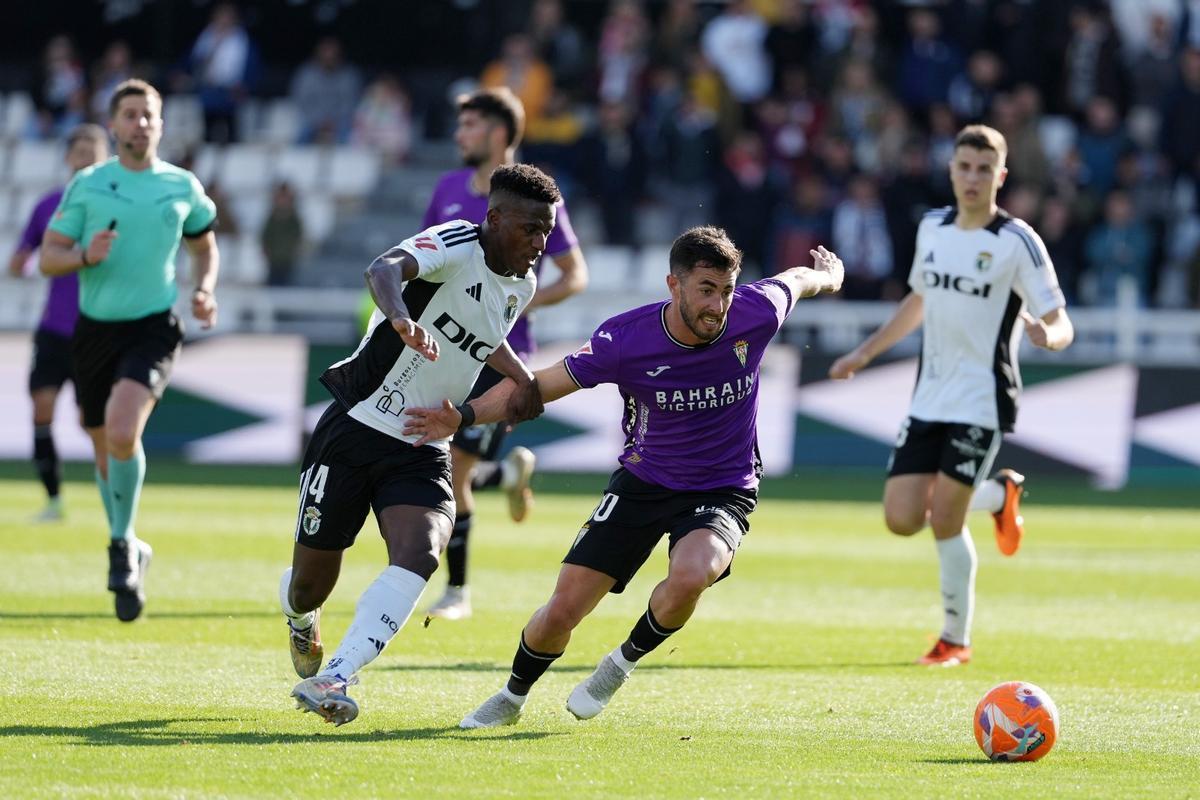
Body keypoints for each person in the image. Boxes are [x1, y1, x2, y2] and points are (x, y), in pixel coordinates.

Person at [403, 227, 845, 728]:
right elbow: (539, 388)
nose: (718, 306)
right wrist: (462, 416)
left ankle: (620, 663)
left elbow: (798, 280)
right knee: (563, 611)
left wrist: (830, 276)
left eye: (725, 291)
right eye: (705, 290)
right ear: (673, 285)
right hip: (643, 481)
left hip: (724, 485)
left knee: (694, 573)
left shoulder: (757, 311)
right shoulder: (626, 339)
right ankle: (511, 696)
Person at [281, 163, 562, 727]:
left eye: (547, 231)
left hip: (423, 438)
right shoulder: (457, 242)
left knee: (422, 548)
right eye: (530, 229)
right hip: (357, 424)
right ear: (495, 218)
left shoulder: (523, 284)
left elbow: (484, 337)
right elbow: (382, 268)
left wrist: (522, 376)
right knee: (311, 585)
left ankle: (335, 675)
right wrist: (402, 319)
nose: (539, 243)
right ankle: (299, 619)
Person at [828, 125, 1074, 666]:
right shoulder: (932, 228)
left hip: (983, 398)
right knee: (901, 518)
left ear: (1000, 176)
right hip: (928, 396)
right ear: (952, 171)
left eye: (985, 169)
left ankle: (954, 639)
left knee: (945, 519)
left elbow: (1061, 321)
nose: (972, 177)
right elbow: (918, 299)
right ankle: (999, 494)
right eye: (964, 167)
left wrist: (1047, 336)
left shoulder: (1018, 242)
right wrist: (864, 354)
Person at [40, 80, 220, 622]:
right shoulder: (89, 185)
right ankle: (132, 544)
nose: (140, 123)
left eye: (149, 115)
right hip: (96, 330)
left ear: (161, 126)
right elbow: (49, 257)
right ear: (113, 125)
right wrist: (84, 256)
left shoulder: (182, 186)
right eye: (130, 114)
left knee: (122, 433)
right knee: (103, 451)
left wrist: (205, 288)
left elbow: (204, 246)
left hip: (154, 326)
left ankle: (119, 547)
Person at [420, 87, 589, 622]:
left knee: (453, 472)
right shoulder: (447, 188)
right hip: (447, 351)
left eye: (468, 125)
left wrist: (512, 304)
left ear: (496, 133)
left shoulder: (532, 199)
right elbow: (425, 258)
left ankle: (457, 592)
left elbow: (575, 276)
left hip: (503, 358)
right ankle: (509, 474)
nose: (458, 135)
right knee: (446, 466)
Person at [7, 123, 109, 522]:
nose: (84, 155)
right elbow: (19, 261)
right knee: (42, 407)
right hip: (53, 329)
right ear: (67, 157)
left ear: (105, 159)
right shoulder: (49, 205)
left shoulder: (115, 209)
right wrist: (31, 264)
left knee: (93, 422)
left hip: (96, 331)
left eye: (92, 149)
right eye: (78, 148)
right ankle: (52, 500)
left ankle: (112, 500)